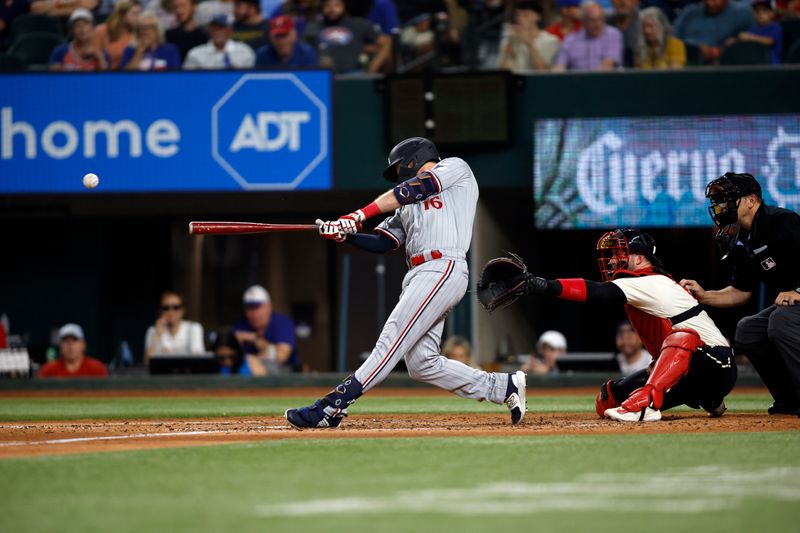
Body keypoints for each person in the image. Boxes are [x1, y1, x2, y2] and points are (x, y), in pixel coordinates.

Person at [284, 137, 527, 429]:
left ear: (415, 157)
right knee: (422, 363)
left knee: (391, 339)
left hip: (443, 266)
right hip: (420, 273)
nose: (399, 173)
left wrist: (358, 215)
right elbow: (385, 241)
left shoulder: (454, 169)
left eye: (399, 167)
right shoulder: (407, 206)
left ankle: (332, 406)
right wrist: (344, 234)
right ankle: (503, 387)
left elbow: (417, 187)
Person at [481, 228, 736, 422]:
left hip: (716, 364)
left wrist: (540, 285)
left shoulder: (652, 281)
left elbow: (596, 292)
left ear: (639, 258)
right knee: (608, 400)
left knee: (684, 335)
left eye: (619, 253)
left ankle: (649, 404)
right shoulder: (641, 283)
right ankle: (707, 397)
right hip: (689, 372)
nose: (613, 260)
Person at [680, 172, 800, 416]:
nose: (719, 205)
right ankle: (790, 399)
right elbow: (741, 292)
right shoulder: (742, 240)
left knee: (781, 319)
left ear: (751, 200)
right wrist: (704, 295)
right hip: (793, 306)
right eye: (717, 200)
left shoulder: (783, 221)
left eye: (726, 198)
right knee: (748, 330)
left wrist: (797, 291)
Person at [303, 0, 390, 73]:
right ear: (322, 7)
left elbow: (387, 42)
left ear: (344, 6)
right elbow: (302, 50)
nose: (332, 9)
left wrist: (373, 67)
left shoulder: (358, 24)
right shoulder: (313, 26)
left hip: (354, 74)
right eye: (327, 5)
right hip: (323, 75)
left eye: (337, 5)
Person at [231, 285, 300, 374]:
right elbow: (228, 358)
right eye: (249, 308)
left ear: (269, 307)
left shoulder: (282, 323)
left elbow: (281, 357)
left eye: (258, 307)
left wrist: (254, 339)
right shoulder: (240, 325)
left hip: (285, 373)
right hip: (247, 374)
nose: (254, 313)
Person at [674, 0, 754, 64]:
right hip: (685, 61)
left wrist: (716, 52)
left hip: (722, 66)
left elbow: (753, 42)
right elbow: (673, 37)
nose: (710, 3)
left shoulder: (743, 13)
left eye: (714, 0)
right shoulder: (690, 12)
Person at [552, 0, 623, 71]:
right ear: (583, 21)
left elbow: (607, 65)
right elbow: (559, 67)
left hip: (607, 80)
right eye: (592, 20)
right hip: (576, 81)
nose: (598, 24)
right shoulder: (570, 41)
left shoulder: (613, 34)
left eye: (600, 19)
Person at [497, 0, 561, 72]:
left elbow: (544, 71)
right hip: (514, 81)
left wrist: (530, 44)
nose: (520, 19)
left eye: (526, 15)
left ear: (538, 17)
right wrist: (510, 43)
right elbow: (502, 72)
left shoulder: (551, 41)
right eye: (517, 15)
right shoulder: (509, 39)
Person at [143, 291, 205, 363]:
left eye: (176, 307)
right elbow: (147, 363)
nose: (171, 312)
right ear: (160, 311)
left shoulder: (193, 328)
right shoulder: (153, 331)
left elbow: (198, 359)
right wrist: (157, 335)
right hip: (162, 373)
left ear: (183, 310)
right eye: (166, 308)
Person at [183, 14, 255, 68]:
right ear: (209, 30)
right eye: (214, 28)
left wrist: (236, 74)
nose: (217, 32)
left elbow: (251, 77)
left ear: (230, 31)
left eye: (221, 28)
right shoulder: (195, 54)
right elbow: (187, 80)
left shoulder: (245, 51)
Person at [39, 323, 109, 378]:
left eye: (74, 339)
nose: (70, 344)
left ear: (83, 344)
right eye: (66, 340)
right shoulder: (48, 370)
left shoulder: (97, 369)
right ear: (60, 345)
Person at [93, 0, 142, 69]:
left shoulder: (138, 33)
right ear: (122, 14)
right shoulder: (101, 31)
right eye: (135, 14)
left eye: (140, 14)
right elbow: (95, 55)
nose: (138, 18)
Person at [732, 0, 782, 65]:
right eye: (756, 11)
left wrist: (750, 37)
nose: (760, 14)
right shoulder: (753, 29)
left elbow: (769, 41)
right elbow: (744, 39)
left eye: (764, 10)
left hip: (772, 65)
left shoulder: (775, 27)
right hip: (754, 64)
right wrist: (735, 41)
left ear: (772, 13)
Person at [606, 0, 639, 66]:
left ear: (636, 2)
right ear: (612, 1)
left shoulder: (645, 24)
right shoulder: (602, 24)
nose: (623, 2)